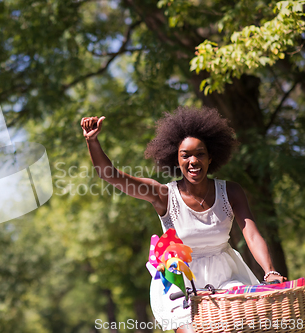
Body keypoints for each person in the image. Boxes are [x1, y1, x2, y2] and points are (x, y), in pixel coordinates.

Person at [80, 106, 286, 333]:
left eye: (200, 154)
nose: (193, 161)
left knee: (239, 326)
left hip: (227, 275)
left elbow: (252, 234)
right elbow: (112, 176)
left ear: (211, 157)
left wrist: (270, 270)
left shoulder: (231, 191)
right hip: (181, 281)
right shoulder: (164, 195)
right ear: (176, 160)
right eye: (185, 155)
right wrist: (93, 142)